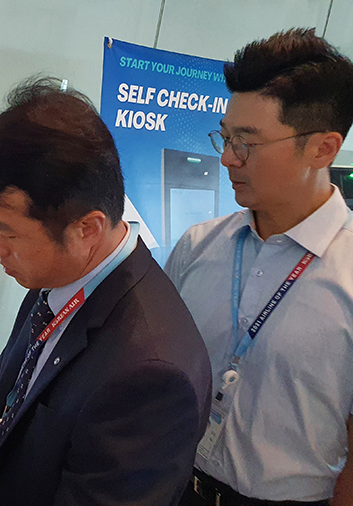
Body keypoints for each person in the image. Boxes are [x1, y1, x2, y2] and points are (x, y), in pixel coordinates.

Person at [0, 77, 212, 505]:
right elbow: (14, 379)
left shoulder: (152, 373)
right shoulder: (64, 274)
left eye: (6, 231)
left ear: (85, 229)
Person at [166, 28, 353, 506]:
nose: (227, 158)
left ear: (323, 148)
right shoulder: (197, 247)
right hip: (174, 487)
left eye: (247, 143)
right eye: (226, 137)